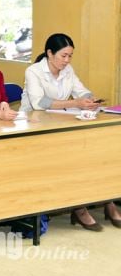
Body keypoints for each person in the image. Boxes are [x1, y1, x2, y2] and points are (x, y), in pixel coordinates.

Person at [20, 33, 119, 231]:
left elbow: (81, 90)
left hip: (62, 123)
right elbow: (39, 103)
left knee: (98, 151)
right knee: (73, 158)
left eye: (70, 56)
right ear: (49, 53)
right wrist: (75, 103)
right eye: (63, 56)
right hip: (36, 125)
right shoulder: (34, 71)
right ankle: (79, 207)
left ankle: (108, 200)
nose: (67, 61)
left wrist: (90, 99)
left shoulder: (68, 70)